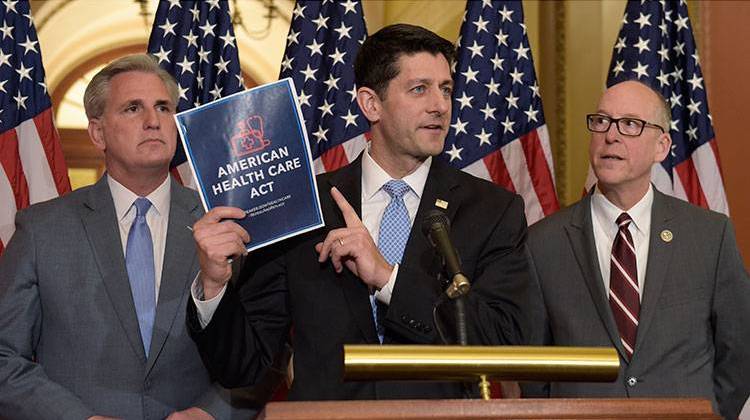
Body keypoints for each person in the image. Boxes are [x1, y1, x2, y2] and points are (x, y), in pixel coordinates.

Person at [187, 23, 541, 400]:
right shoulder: (305, 206)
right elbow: (242, 365)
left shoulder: (491, 210)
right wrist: (213, 284)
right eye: (419, 89)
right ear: (371, 104)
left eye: (446, 89)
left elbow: (506, 341)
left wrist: (387, 279)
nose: (439, 105)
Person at [0, 54, 253, 419]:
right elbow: (4, 357)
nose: (153, 122)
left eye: (163, 108)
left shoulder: (228, 225)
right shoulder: (41, 230)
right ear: (98, 133)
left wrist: (210, 413)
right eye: (133, 109)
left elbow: (267, 349)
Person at [523, 79, 750, 418]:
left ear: (662, 146)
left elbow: (740, 351)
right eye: (601, 121)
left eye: (630, 124)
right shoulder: (542, 242)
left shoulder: (709, 235)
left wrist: (707, 413)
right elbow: (533, 368)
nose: (610, 135)